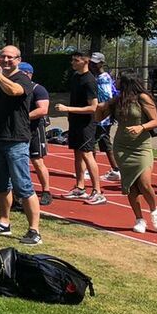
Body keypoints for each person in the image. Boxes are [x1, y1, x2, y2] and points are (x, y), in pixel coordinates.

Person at [0, 45, 42, 245]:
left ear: (18, 60)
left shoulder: (22, 79)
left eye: (10, 57)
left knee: (23, 186)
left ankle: (34, 230)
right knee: (0, 185)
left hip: (16, 140)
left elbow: (14, 91)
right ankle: (4, 222)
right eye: (3, 57)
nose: (6, 60)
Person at [95, 73, 157, 233]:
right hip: (122, 147)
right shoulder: (117, 100)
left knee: (144, 183)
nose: (115, 81)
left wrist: (141, 127)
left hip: (141, 146)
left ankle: (154, 210)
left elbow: (156, 121)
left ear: (127, 81)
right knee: (130, 186)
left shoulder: (143, 98)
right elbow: (99, 119)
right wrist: (99, 108)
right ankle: (139, 219)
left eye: (118, 79)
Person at [56, 50, 106, 205]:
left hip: (86, 124)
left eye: (76, 60)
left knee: (87, 154)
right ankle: (80, 187)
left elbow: (93, 107)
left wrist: (68, 109)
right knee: (77, 153)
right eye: (72, 60)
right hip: (75, 122)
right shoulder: (76, 77)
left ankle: (97, 191)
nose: (73, 63)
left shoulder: (89, 80)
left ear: (85, 61)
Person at [19, 62, 53, 206]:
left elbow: (43, 110)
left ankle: (46, 191)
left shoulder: (38, 89)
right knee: (18, 161)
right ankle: (19, 192)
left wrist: (22, 117)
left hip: (34, 129)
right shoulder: (16, 89)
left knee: (37, 161)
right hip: (19, 130)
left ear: (28, 74)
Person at [90, 52, 122, 182]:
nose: (92, 65)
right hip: (101, 116)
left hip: (102, 117)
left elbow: (107, 98)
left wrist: (103, 114)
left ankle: (90, 170)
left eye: (95, 63)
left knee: (91, 142)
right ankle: (116, 169)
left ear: (102, 63)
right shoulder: (98, 77)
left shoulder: (103, 78)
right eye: (91, 63)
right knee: (104, 142)